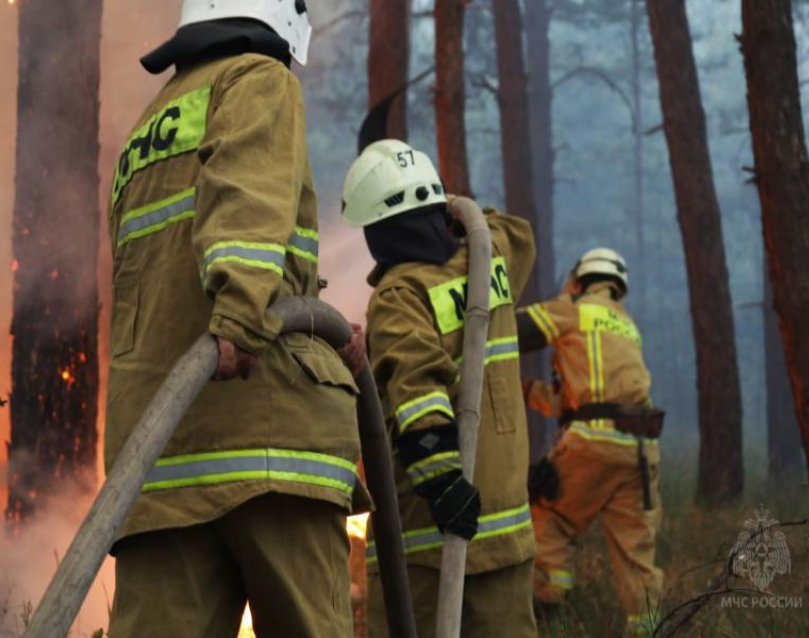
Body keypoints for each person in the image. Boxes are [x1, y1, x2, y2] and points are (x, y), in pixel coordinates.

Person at [105, 2, 368, 636]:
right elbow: (244, 207)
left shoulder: (151, 122)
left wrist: (319, 317)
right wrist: (242, 317)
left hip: (159, 458)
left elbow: (160, 273)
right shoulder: (255, 78)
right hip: (265, 433)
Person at [341, 139, 538, 638]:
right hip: (505, 536)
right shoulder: (488, 255)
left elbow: (418, 390)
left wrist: (443, 485)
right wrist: (456, 211)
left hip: (429, 541)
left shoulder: (399, 293)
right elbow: (520, 233)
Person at [517, 248, 664, 636]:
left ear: (580, 279)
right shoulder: (626, 324)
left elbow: (515, 330)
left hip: (594, 444)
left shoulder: (575, 307)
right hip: (641, 451)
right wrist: (526, 391)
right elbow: (581, 401)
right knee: (636, 553)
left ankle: (550, 610)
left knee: (552, 519)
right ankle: (648, 628)